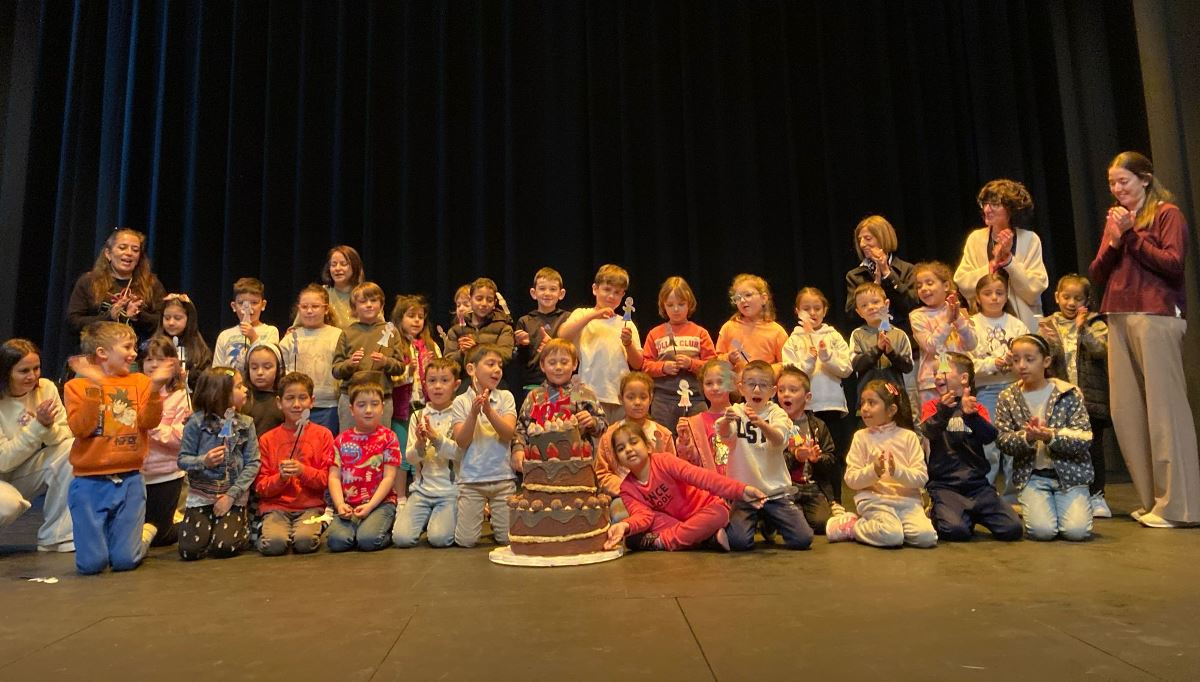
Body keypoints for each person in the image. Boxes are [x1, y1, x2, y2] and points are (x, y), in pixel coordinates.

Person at [1089, 151, 1199, 529]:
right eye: (1112, 183)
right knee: (1127, 410)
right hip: (1118, 313)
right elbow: (1097, 271)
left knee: (1164, 410)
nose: (1117, 189)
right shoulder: (1117, 222)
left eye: (1124, 181)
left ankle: (1180, 506)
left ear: (1145, 179)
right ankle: (1153, 499)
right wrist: (1116, 239)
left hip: (1155, 313)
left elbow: (1172, 263)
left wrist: (1131, 236)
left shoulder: (1166, 214)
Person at [64, 322, 175, 574]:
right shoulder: (76, 386)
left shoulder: (140, 382)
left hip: (130, 479)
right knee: (92, 565)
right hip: (89, 482)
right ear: (103, 352)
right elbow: (81, 429)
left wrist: (156, 389)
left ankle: (141, 536)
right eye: (127, 347)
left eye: (134, 347)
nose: (134, 353)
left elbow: (148, 422)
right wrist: (95, 387)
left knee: (125, 561)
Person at [603, 422, 765, 552]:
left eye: (633, 442)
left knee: (719, 513)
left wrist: (742, 490)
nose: (629, 450)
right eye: (621, 448)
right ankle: (706, 540)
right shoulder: (627, 488)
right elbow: (643, 516)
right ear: (618, 459)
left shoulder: (664, 461)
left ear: (648, 446)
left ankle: (662, 542)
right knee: (650, 521)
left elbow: (704, 478)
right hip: (675, 523)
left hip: (704, 512)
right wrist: (625, 525)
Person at [993, 335, 1094, 541]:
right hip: (1033, 477)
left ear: (1046, 362)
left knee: (1076, 532)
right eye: (1016, 359)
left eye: (1029, 359)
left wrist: (1050, 436)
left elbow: (1084, 437)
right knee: (1043, 531)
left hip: (1069, 476)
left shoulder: (1068, 393)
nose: (1021, 366)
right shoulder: (1008, 397)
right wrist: (1027, 437)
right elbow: (1002, 439)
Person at [920, 353, 1022, 542]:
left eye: (942, 372)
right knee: (956, 531)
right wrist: (944, 412)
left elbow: (990, 437)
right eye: (934, 373)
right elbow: (928, 431)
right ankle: (940, 509)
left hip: (977, 486)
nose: (936, 377)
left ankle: (973, 513)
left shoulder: (977, 408)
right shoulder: (932, 407)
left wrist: (971, 417)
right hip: (946, 486)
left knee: (1012, 529)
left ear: (963, 378)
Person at [827, 380, 937, 548]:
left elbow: (921, 478)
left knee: (927, 537)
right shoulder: (861, 437)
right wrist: (874, 471)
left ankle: (892, 527)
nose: (864, 408)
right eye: (863, 402)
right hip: (875, 501)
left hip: (908, 503)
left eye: (872, 403)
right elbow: (851, 479)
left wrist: (897, 471)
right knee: (891, 536)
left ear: (891, 410)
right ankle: (852, 526)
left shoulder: (908, 437)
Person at [717, 360, 812, 551]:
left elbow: (779, 440)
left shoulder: (778, 414)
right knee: (738, 543)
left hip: (775, 491)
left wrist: (761, 423)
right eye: (751, 384)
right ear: (741, 388)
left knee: (803, 539)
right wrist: (727, 422)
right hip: (745, 492)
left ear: (773, 390)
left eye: (763, 385)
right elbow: (726, 436)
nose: (757, 390)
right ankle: (756, 521)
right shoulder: (735, 412)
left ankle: (769, 521)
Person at [1039, 274, 1112, 518]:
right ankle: (1068, 492)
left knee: (1093, 448)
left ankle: (1096, 495)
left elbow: (1101, 350)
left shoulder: (1095, 322)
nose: (1071, 303)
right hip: (1062, 399)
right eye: (1066, 297)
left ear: (1087, 300)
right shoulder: (1047, 324)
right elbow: (1047, 355)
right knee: (1063, 446)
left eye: (1077, 298)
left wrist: (1082, 329)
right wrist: (1048, 339)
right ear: (1057, 297)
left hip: (1091, 397)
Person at [176, 367, 259, 560]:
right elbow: (182, 460)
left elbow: (253, 463)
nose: (245, 389)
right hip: (202, 495)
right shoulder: (195, 423)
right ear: (219, 394)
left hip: (232, 496)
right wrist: (202, 461)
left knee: (223, 547)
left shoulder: (246, 424)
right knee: (190, 551)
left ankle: (241, 527)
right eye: (238, 386)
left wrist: (231, 496)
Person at [0, 339, 75, 553]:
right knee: (8, 504)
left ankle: (56, 536)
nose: (32, 376)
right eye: (24, 371)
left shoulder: (46, 388)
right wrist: (37, 427)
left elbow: (64, 435)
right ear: (6, 373)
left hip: (21, 473)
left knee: (71, 448)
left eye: (36, 368)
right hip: (3, 475)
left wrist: (47, 427)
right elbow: (4, 462)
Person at [782, 286, 852, 508]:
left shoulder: (833, 336)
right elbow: (790, 373)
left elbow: (846, 369)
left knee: (831, 456)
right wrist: (811, 361)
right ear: (797, 311)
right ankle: (807, 499)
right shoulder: (793, 340)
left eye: (817, 308)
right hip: (805, 408)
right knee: (805, 452)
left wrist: (826, 356)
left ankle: (836, 501)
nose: (812, 313)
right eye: (806, 308)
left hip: (831, 405)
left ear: (825, 309)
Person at [254, 372, 335, 556]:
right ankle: (260, 530)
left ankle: (317, 528)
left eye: (302, 398)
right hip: (276, 508)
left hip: (311, 506)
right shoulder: (267, 439)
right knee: (275, 545)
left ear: (312, 401)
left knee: (304, 543)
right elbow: (260, 486)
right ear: (279, 403)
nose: (297, 404)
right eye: (290, 398)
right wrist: (280, 478)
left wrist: (303, 471)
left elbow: (327, 480)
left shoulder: (324, 435)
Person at [954, 179, 1049, 332]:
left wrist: (1009, 261)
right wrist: (993, 264)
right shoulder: (975, 239)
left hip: (1023, 327)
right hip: (983, 329)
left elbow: (1034, 290)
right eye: (984, 204)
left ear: (1012, 209)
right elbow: (964, 284)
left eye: (995, 204)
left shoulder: (1030, 239)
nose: (987, 209)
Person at [558, 264, 643, 423]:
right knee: (590, 442)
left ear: (623, 295)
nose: (611, 296)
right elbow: (562, 335)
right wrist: (593, 315)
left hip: (618, 396)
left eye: (617, 292)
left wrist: (628, 344)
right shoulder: (582, 314)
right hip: (586, 393)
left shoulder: (626, 324)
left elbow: (638, 363)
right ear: (595, 289)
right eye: (606, 289)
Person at [451, 345, 518, 547]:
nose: (497, 369)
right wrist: (473, 413)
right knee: (466, 541)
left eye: (500, 365)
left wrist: (489, 411)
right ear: (471, 369)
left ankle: (496, 516)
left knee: (508, 539)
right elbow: (461, 441)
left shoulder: (506, 397)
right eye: (490, 364)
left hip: (502, 479)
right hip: (472, 481)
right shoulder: (460, 402)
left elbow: (508, 434)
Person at [392, 358, 461, 548]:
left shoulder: (460, 414)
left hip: (450, 492)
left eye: (444, 381)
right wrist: (420, 446)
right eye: (432, 381)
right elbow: (410, 458)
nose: (437, 386)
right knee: (401, 539)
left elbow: (461, 454)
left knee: (439, 539)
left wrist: (437, 439)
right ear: (424, 385)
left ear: (456, 385)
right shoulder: (419, 415)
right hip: (422, 492)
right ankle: (426, 519)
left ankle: (442, 519)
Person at [968, 271, 1028, 490]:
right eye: (988, 293)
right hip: (986, 389)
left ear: (1006, 296)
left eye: (999, 293)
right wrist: (993, 364)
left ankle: (1015, 493)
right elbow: (967, 363)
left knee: (1013, 439)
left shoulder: (1017, 325)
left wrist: (1015, 362)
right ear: (978, 297)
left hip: (1015, 388)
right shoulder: (971, 325)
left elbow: (1029, 358)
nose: (994, 298)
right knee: (989, 444)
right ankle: (987, 489)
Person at [512, 339, 606, 475]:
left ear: (574, 364)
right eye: (552, 362)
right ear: (542, 366)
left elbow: (603, 425)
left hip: (577, 468)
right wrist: (518, 448)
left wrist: (593, 422)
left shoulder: (578, 393)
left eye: (564, 362)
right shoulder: (535, 396)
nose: (558, 367)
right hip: (541, 467)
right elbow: (521, 428)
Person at [327, 381, 399, 552]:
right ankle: (358, 529)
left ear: (382, 407)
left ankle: (386, 530)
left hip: (380, 503)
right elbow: (334, 476)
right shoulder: (341, 440)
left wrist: (371, 506)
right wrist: (339, 504)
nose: (368, 410)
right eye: (361, 405)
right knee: (337, 542)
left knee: (368, 541)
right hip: (349, 503)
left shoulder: (388, 437)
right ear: (351, 409)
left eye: (374, 404)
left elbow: (389, 477)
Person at [65, 228, 167, 349]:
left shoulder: (152, 284)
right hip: (96, 358)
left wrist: (138, 316)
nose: (129, 253)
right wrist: (109, 317)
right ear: (108, 254)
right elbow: (73, 323)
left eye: (135, 250)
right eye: (122, 247)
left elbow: (165, 322)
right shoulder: (88, 281)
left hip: (138, 359)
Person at [641, 276, 716, 433]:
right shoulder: (655, 333)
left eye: (681, 304)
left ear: (689, 304)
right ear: (663, 306)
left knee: (699, 440)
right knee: (665, 440)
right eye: (670, 305)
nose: (676, 309)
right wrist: (663, 367)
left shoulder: (700, 333)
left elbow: (713, 366)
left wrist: (691, 364)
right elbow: (645, 366)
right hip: (663, 400)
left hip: (695, 397)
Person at [389, 293, 443, 506]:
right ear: (400, 318)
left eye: (420, 316)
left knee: (421, 453)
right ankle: (400, 497)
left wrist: (431, 367)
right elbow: (391, 379)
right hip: (401, 410)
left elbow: (441, 377)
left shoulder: (430, 345)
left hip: (423, 408)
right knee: (402, 454)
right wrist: (408, 372)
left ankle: (420, 492)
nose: (417, 321)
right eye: (411, 316)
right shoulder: (395, 345)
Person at [139, 336, 192, 548]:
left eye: (160, 360)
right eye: (149, 359)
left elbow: (181, 437)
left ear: (172, 364)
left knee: (159, 536)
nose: (153, 365)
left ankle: (193, 524)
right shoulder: (135, 392)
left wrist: (151, 427)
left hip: (166, 473)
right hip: (137, 475)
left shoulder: (180, 396)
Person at [332, 281, 404, 432]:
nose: (369, 305)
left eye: (374, 300)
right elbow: (336, 370)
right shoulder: (347, 333)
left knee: (380, 444)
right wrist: (350, 363)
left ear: (381, 305)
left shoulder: (391, 331)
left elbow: (400, 367)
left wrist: (385, 361)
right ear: (354, 308)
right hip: (350, 398)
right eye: (363, 301)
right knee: (350, 445)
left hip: (382, 396)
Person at [278, 284, 345, 436]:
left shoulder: (338, 335)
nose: (309, 311)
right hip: (296, 407)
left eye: (315, 306)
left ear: (326, 309)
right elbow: (281, 373)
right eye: (304, 306)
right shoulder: (290, 339)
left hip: (328, 407)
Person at [595, 371, 674, 498]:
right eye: (630, 397)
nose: (637, 402)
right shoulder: (609, 436)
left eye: (643, 397)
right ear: (621, 399)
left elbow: (672, 470)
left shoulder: (663, 435)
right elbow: (602, 473)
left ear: (651, 398)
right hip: (623, 496)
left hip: (658, 496)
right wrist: (628, 489)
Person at [776, 366, 835, 533]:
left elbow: (831, 459)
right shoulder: (774, 425)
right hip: (785, 487)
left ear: (807, 397)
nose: (786, 394)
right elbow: (769, 461)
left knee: (821, 523)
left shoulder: (818, 426)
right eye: (781, 390)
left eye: (793, 390)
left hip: (811, 486)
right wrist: (795, 456)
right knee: (794, 523)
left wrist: (818, 459)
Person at [910, 261, 977, 404]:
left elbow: (971, 344)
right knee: (935, 422)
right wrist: (947, 321)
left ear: (946, 286)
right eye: (919, 286)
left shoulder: (958, 310)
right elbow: (931, 346)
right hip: (931, 383)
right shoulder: (917, 316)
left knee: (962, 421)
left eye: (929, 283)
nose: (923, 288)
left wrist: (958, 318)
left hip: (959, 380)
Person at [848, 282, 913, 422]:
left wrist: (891, 353)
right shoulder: (857, 335)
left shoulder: (899, 334)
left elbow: (908, 366)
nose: (871, 307)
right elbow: (856, 365)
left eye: (875, 302)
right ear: (859, 312)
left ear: (886, 304)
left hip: (895, 401)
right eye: (864, 305)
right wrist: (877, 349)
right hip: (867, 402)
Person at [844, 215, 919, 329]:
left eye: (868, 238)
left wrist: (887, 274)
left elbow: (911, 306)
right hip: (869, 340)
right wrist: (875, 286)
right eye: (860, 240)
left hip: (903, 336)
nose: (862, 244)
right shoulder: (854, 276)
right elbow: (851, 315)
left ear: (883, 238)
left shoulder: (907, 269)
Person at [513, 267, 571, 404]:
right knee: (535, 421)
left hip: (564, 383)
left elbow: (574, 352)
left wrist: (553, 345)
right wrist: (523, 346)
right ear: (534, 293)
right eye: (542, 288)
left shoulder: (568, 318)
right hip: (534, 383)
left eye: (552, 289)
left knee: (565, 419)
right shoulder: (525, 321)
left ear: (561, 294)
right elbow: (520, 361)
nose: (547, 293)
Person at [715, 273, 788, 378]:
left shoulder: (777, 331)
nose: (743, 300)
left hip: (764, 390)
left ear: (763, 298)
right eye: (738, 298)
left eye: (748, 295)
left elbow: (785, 364)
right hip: (735, 391)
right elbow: (716, 363)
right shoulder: (728, 328)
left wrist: (764, 373)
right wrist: (729, 359)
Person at [444, 277, 516, 381]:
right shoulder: (456, 330)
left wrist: (476, 349)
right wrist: (462, 353)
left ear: (495, 303)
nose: (484, 304)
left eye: (489, 300)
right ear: (470, 300)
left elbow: (505, 356)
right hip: (465, 385)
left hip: (495, 383)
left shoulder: (504, 327)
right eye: (479, 299)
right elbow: (448, 364)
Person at [675, 359, 736, 474]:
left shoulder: (742, 415)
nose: (715, 388)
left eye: (720, 382)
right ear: (702, 387)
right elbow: (691, 462)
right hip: (711, 487)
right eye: (709, 383)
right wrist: (684, 441)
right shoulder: (695, 423)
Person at [212, 277, 279, 369]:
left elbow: (271, 363)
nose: (248, 308)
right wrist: (232, 375)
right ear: (234, 306)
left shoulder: (271, 331)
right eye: (241, 303)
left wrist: (253, 337)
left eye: (254, 303)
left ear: (263, 305)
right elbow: (218, 370)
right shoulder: (224, 336)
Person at [155, 293, 211, 392]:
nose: (171, 322)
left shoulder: (200, 350)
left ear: (189, 319)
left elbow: (205, 383)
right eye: (167, 318)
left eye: (177, 318)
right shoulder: (153, 346)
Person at [243, 342, 285, 436]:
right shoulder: (243, 398)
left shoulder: (284, 399)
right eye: (254, 368)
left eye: (267, 367)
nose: (260, 372)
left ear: (279, 368)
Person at [320, 245, 366, 329]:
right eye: (333, 265)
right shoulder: (321, 294)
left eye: (343, 264)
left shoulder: (366, 295)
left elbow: (379, 329)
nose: (337, 268)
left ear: (355, 266)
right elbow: (298, 326)